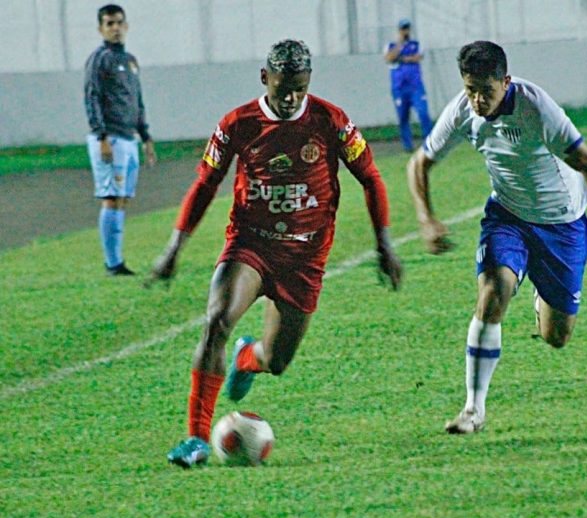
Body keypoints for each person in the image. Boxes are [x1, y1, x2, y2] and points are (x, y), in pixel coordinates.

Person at [151, 39, 403, 468]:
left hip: (305, 258)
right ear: (264, 78)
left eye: (300, 89)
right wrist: (174, 248)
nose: (291, 98)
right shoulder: (238, 124)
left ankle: (248, 358)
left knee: (278, 361)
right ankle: (195, 439)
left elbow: (371, 179)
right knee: (216, 321)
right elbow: (206, 185)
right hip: (251, 245)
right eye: (283, 88)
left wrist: (385, 245)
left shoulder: (330, 121)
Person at [406, 41, 587, 434]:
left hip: (562, 222)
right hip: (508, 216)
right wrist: (426, 219)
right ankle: (473, 409)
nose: (478, 100)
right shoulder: (463, 111)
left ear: (505, 81)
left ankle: (540, 290)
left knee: (557, 337)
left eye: (486, 90)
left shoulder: (536, 108)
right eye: (470, 89)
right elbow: (419, 164)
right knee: (493, 292)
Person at [84, 4, 156, 276]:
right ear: (101, 28)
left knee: (123, 199)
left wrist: (145, 136)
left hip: (129, 138)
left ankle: (116, 260)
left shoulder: (130, 61)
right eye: (109, 23)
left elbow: (136, 101)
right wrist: (101, 136)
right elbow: (92, 97)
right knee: (112, 198)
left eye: (118, 23)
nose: (115, 28)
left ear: (126, 26)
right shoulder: (99, 59)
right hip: (110, 138)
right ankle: (113, 264)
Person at [384, 18, 433, 152]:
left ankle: (430, 142)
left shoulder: (415, 44)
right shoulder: (391, 46)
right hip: (399, 88)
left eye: (407, 28)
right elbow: (389, 58)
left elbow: (418, 57)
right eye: (403, 29)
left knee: (423, 113)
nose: (405, 31)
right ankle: (408, 146)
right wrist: (400, 45)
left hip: (415, 86)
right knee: (403, 117)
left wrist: (402, 58)